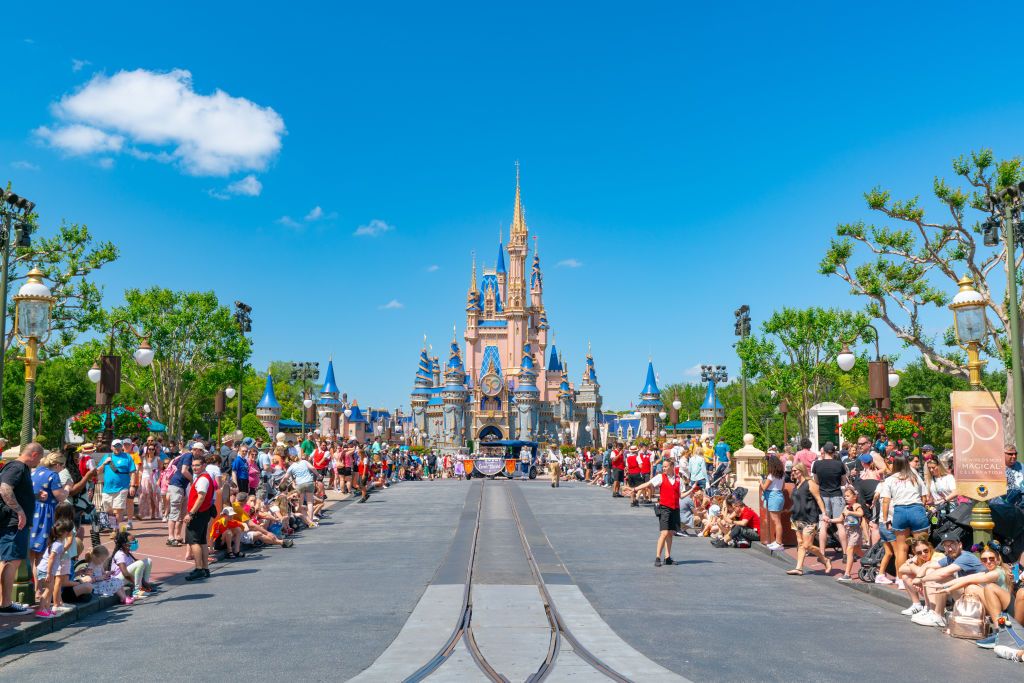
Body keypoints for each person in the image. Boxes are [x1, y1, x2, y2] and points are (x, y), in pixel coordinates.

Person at [937, 541, 1014, 648]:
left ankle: (996, 632)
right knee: (971, 587)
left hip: (1005, 611)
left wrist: (947, 589)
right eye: (984, 560)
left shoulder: (996, 573)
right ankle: (966, 624)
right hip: (1001, 606)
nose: (988, 562)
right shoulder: (990, 571)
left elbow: (967, 580)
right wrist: (943, 586)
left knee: (973, 587)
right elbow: (965, 578)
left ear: (998, 559)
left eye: (991, 558)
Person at [910, 527, 985, 628]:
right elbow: (929, 565)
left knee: (941, 578)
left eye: (952, 544)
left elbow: (943, 573)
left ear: (960, 545)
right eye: (946, 546)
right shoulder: (950, 557)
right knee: (931, 572)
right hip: (966, 596)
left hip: (979, 600)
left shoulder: (965, 557)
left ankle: (938, 616)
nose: (949, 549)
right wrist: (919, 576)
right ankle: (932, 612)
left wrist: (920, 580)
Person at [0, 443, 44, 614]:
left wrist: (33, 496)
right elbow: (4, 488)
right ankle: (5, 604)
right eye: (39, 458)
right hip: (13, 523)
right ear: (33, 454)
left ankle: (4, 602)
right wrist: (19, 511)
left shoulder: (18, 468)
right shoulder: (18, 467)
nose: (38, 462)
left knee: (9, 560)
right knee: (12, 560)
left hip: (13, 521)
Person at [631, 458, 696, 566]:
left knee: (670, 533)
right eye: (663, 466)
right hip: (665, 508)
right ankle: (657, 557)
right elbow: (648, 484)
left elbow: (681, 495)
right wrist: (634, 489)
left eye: (665, 466)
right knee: (664, 533)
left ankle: (667, 557)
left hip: (675, 508)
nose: (663, 468)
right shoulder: (661, 477)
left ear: (672, 467)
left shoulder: (679, 480)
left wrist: (691, 490)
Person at [879, 454, 931, 578]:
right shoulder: (915, 477)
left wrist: (885, 519)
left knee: (902, 549)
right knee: (922, 545)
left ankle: (902, 578)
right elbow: (924, 497)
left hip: (900, 511)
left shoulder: (890, 480)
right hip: (916, 509)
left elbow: (886, 501)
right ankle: (926, 575)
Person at [29, 451, 69, 583]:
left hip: (32, 511)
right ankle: (39, 590)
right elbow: (60, 496)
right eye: (62, 466)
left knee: (31, 554)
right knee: (41, 554)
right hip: (45, 514)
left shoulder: (34, 472)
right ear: (57, 465)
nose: (62, 468)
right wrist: (67, 487)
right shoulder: (53, 475)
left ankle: (33, 586)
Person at [786, 463, 831, 576]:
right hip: (796, 517)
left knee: (807, 545)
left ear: (802, 471)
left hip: (810, 518)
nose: (794, 473)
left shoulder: (810, 483)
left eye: (796, 471)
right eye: (792, 471)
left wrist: (824, 514)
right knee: (801, 544)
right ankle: (799, 568)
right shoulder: (797, 484)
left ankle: (824, 559)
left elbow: (819, 499)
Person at [184, 450, 218, 581]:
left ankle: (199, 568)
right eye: (193, 465)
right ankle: (205, 568)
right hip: (204, 513)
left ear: (203, 465)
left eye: (197, 465)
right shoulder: (204, 477)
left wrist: (191, 513)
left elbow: (201, 497)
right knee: (202, 541)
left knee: (194, 541)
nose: (194, 467)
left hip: (198, 513)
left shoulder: (203, 479)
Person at [811, 441, 848, 560]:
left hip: (823, 495)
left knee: (823, 524)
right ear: (833, 452)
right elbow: (843, 481)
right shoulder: (839, 464)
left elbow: (816, 481)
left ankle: (822, 552)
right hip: (836, 494)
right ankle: (845, 553)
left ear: (824, 452)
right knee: (840, 524)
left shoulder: (817, 464)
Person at [99, 439, 138, 531]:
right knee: (109, 511)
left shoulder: (127, 457)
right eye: (115, 446)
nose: (117, 448)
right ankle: (113, 526)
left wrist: (132, 486)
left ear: (122, 447)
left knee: (118, 510)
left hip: (122, 488)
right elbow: (98, 471)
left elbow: (132, 472)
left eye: (119, 446)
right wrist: (104, 463)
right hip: (107, 489)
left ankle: (115, 529)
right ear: (112, 447)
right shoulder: (106, 457)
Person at [109, 529, 153, 599]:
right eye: (133, 541)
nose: (135, 542)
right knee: (140, 563)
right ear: (124, 544)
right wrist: (139, 582)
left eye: (135, 540)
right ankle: (137, 590)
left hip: (125, 578)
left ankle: (146, 586)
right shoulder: (120, 555)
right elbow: (125, 574)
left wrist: (143, 581)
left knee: (148, 561)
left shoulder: (128, 553)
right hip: (118, 580)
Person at [898, 539, 936, 616]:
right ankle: (917, 605)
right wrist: (918, 569)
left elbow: (925, 574)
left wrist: (911, 564)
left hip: (942, 591)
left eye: (925, 550)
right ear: (915, 553)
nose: (923, 554)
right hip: (928, 588)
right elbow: (901, 569)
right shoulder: (917, 557)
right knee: (905, 576)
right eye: (919, 552)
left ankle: (929, 608)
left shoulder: (937, 556)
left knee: (926, 577)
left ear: (930, 548)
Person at [836, 486, 865, 582]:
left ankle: (847, 574)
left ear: (854, 497)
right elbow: (840, 519)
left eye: (848, 496)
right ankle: (868, 560)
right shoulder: (845, 508)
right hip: (849, 532)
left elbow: (861, 513)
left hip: (855, 531)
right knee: (857, 550)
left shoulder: (856, 505)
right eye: (845, 496)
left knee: (849, 550)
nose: (846, 498)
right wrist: (829, 520)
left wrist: (850, 512)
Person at [760, 455, 786, 550]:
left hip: (773, 496)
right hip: (779, 495)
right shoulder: (782, 474)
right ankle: (777, 541)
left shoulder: (771, 475)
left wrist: (760, 481)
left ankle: (779, 543)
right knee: (777, 520)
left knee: (776, 521)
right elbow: (782, 487)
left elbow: (764, 487)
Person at [137, 443, 161, 520]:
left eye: (152, 449)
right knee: (142, 496)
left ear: (155, 450)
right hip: (145, 479)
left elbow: (161, 470)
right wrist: (139, 479)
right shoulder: (143, 458)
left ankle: (153, 513)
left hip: (154, 479)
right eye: (149, 449)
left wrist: (159, 480)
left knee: (153, 497)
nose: (151, 450)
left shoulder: (158, 459)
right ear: (147, 450)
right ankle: (141, 513)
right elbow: (140, 470)